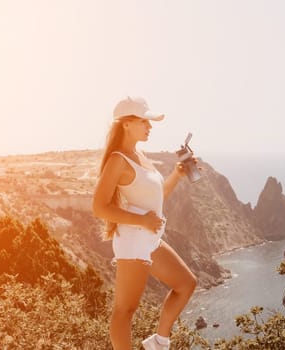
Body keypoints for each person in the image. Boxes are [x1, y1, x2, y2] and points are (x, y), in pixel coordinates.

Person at [92, 96, 198, 350]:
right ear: (126, 124)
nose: (150, 126)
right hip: (133, 239)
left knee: (186, 284)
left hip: (149, 236)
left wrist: (178, 174)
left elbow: (157, 196)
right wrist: (141, 220)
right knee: (125, 310)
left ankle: (158, 342)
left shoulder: (139, 155)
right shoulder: (118, 159)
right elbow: (99, 207)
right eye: (144, 121)